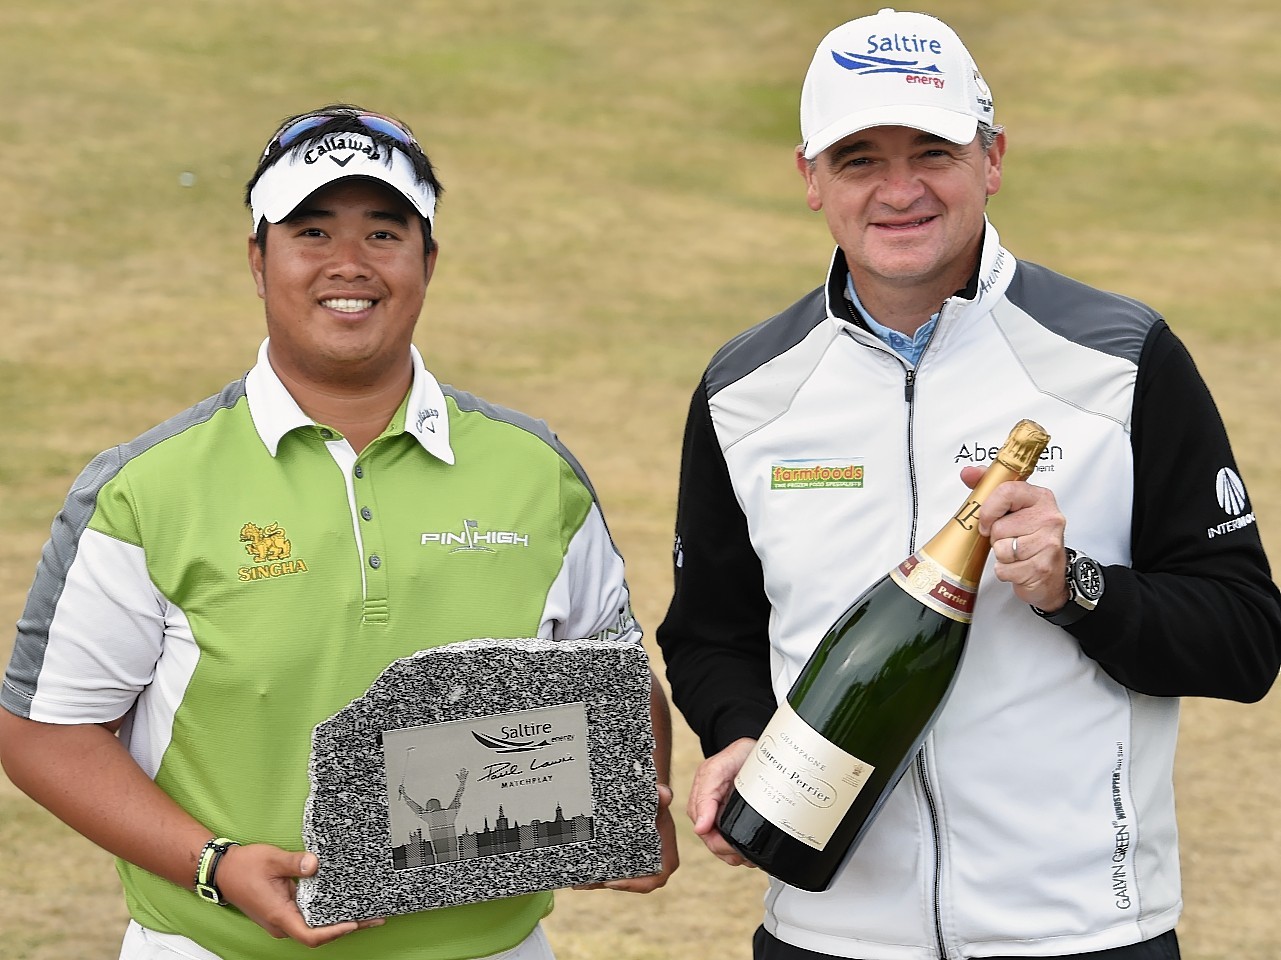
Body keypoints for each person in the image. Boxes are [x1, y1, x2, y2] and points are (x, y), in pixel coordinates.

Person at [656, 9, 1281, 960]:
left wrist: (1078, 588)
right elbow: (710, 633)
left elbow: (1243, 640)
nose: (899, 190)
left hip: (1082, 931)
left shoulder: (1121, 362)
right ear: (809, 178)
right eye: (859, 157)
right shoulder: (746, 393)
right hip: (828, 935)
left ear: (991, 160)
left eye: (933, 152)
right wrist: (738, 734)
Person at [0, 103, 677, 960]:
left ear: (428, 260)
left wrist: (630, 803)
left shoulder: (535, 472)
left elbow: (613, 680)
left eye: (384, 234)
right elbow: (44, 732)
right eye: (311, 231)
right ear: (258, 259)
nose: (349, 265)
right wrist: (217, 865)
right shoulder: (145, 488)